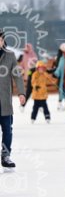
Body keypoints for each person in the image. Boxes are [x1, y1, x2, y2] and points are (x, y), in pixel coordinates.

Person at [0, 29, 26, 168]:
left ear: (3, 40)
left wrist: (21, 93)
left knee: (7, 130)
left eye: (0, 39)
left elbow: (17, 75)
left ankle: (5, 156)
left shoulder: (10, 56)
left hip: (4, 102)